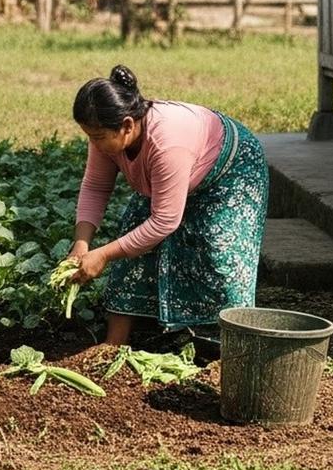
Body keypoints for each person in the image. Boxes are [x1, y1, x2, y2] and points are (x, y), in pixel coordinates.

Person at [66, 65, 268, 345]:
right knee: (134, 231)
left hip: (230, 170)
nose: (93, 143)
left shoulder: (166, 143)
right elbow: (96, 187)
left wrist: (103, 256)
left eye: (98, 137)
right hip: (182, 168)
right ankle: (113, 345)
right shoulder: (104, 135)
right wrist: (82, 243)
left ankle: (230, 345)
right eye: (89, 135)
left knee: (217, 251)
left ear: (126, 125)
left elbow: (164, 222)